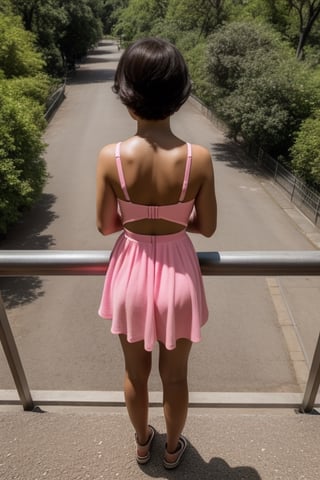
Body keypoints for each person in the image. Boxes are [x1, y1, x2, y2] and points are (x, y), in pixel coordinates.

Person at [96, 37, 217, 469]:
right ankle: (171, 452)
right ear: (180, 93)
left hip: (130, 272)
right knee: (177, 377)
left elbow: (107, 225)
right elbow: (207, 226)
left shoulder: (110, 157)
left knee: (134, 374)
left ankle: (143, 442)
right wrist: (172, 221)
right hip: (179, 274)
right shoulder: (197, 159)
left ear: (127, 96)